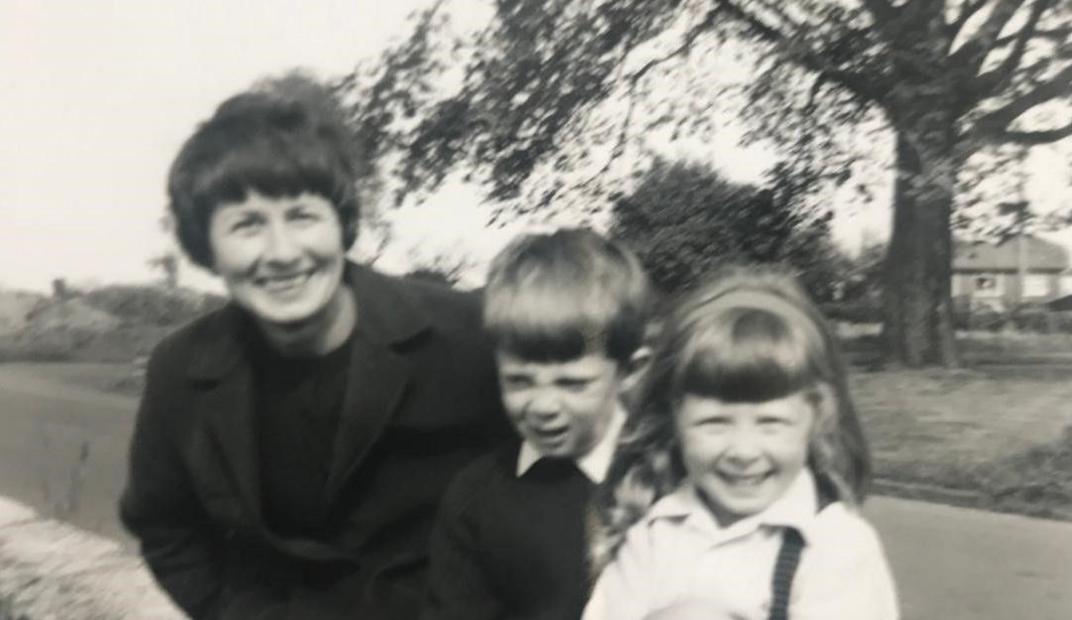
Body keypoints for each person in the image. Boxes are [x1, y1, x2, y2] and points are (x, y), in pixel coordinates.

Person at [118, 76, 508, 619]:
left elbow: (567, 480)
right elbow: (164, 527)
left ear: (341, 223)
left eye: (302, 215)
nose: (281, 253)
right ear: (207, 246)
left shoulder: (469, 335)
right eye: (247, 225)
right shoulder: (179, 370)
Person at [583, 266, 898, 620]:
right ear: (675, 418)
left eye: (771, 423)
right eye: (714, 422)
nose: (744, 452)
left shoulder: (835, 545)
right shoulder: (653, 538)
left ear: (817, 415)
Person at [420, 229, 653, 620]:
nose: (543, 406)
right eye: (519, 381)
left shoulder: (670, 469)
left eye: (573, 383)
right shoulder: (478, 498)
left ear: (630, 371)